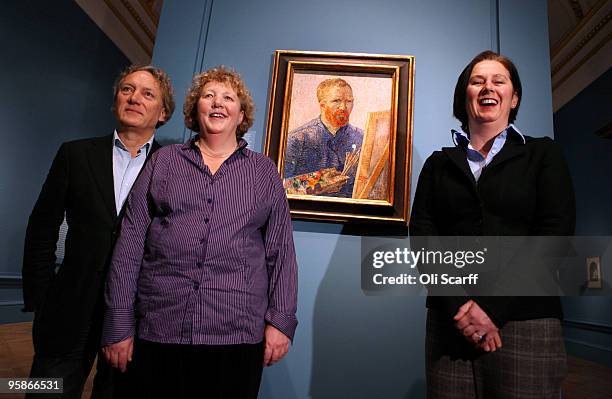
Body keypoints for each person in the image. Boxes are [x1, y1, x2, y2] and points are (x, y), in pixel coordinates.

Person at [101, 66, 298, 398]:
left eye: (227, 98)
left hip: (236, 336)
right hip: (159, 328)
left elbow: (281, 252)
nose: (217, 103)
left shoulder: (263, 172)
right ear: (195, 109)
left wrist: (280, 322)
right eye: (208, 96)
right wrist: (119, 322)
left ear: (241, 114)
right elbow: (131, 243)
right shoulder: (163, 162)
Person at [409, 50, 575, 398]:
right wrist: (459, 307)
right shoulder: (438, 165)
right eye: (477, 80)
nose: (488, 87)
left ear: (513, 98)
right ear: (464, 95)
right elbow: (423, 238)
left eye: (499, 81)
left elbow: (554, 234)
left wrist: (492, 308)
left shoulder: (544, 154)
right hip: (451, 324)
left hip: (527, 320)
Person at [22, 65, 175, 398]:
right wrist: (40, 300)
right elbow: (42, 228)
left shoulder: (174, 168)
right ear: (116, 100)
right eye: (127, 89)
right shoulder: (74, 153)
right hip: (66, 309)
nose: (135, 98)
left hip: (133, 317)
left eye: (148, 94)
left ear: (163, 112)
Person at [284, 78, 363, 197]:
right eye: (336, 101)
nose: (343, 107)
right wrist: (319, 182)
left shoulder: (362, 138)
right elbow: (278, 187)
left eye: (349, 101)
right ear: (322, 105)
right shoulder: (297, 139)